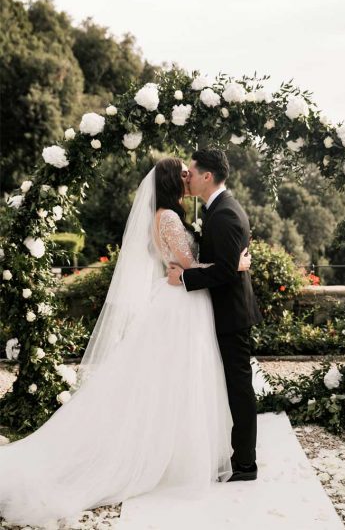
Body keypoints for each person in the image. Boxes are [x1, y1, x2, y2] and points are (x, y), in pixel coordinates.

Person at [0, 157, 251, 528]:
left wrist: (208, 266)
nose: (188, 178)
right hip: (180, 304)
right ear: (170, 181)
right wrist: (236, 266)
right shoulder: (167, 217)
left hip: (183, 302)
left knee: (178, 380)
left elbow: (186, 265)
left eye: (190, 172)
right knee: (175, 378)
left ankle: (178, 449)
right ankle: (165, 453)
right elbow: (185, 264)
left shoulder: (170, 214)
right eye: (182, 174)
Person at [168, 148, 263, 482]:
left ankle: (246, 464)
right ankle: (234, 454)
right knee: (232, 386)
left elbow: (224, 271)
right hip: (224, 311)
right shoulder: (217, 209)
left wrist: (185, 278)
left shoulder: (224, 214)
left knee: (239, 388)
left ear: (207, 176)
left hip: (231, 314)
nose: (188, 177)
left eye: (191, 172)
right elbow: (226, 262)